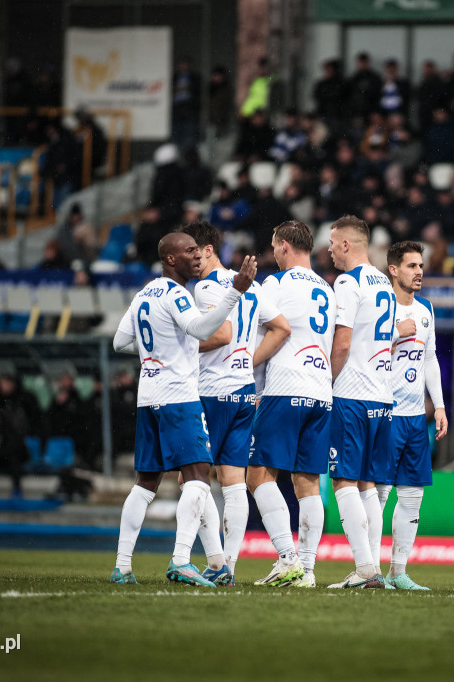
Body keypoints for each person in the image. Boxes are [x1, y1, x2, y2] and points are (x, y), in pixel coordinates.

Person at [109, 231, 256, 586]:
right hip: (178, 396)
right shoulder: (177, 293)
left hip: (149, 396)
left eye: (197, 250)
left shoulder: (145, 292)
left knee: (145, 484)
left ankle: (122, 566)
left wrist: (155, 353)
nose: (196, 256)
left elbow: (119, 342)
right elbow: (201, 328)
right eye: (189, 251)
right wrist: (235, 289)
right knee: (198, 474)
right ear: (170, 259)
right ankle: (180, 560)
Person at [183, 221, 290, 586]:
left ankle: (212, 561)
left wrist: (177, 347)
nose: (191, 259)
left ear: (209, 249)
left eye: (194, 252)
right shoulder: (253, 287)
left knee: (193, 479)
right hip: (244, 392)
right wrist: (250, 360)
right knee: (233, 484)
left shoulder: (207, 287)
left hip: (212, 391)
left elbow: (221, 334)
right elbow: (281, 327)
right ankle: (228, 564)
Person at [245, 220, 335, 588]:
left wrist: (253, 384)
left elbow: (266, 335)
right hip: (320, 390)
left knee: (258, 474)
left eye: (273, 247)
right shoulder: (327, 290)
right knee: (307, 482)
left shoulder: (275, 284)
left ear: (283, 246)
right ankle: (308, 571)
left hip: (285, 387)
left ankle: (287, 558)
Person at [326, 214, 396, 589]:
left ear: (348, 245)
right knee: (368, 484)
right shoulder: (383, 281)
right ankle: (372, 569)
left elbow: (343, 342)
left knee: (344, 481)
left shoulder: (347, 282)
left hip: (351, 393)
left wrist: (326, 381)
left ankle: (366, 568)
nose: (330, 249)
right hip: (381, 398)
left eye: (334, 242)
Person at [383, 241, 447, 590]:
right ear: (393, 270)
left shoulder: (426, 310)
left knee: (412, 496)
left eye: (421, 265)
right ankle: (367, 570)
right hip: (384, 413)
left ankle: (399, 571)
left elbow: (430, 359)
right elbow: (361, 351)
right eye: (411, 266)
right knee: (376, 494)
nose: (419, 271)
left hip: (413, 417)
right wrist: (394, 333)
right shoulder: (382, 307)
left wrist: (438, 405)